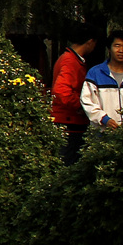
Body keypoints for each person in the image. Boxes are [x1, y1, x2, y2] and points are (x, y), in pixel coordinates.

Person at [52, 25, 97, 164]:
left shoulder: (71, 59)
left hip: (69, 120)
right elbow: (61, 90)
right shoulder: (70, 61)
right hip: (69, 121)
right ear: (90, 42)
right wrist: (81, 106)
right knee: (68, 163)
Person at [83, 30, 123, 129]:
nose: (121, 50)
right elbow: (87, 101)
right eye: (117, 46)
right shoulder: (95, 73)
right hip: (101, 133)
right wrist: (104, 119)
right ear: (109, 48)